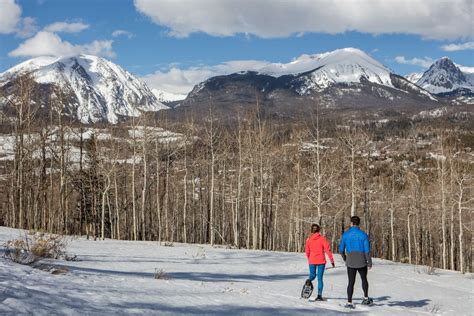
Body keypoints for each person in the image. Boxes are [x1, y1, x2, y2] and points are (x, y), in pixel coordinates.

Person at [339, 215, 373, 308]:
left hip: (350, 261)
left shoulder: (345, 235)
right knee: (364, 279)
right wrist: (369, 262)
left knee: (351, 282)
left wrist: (345, 258)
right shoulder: (363, 235)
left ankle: (349, 302)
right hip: (361, 260)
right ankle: (366, 298)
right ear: (359, 223)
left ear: (351, 223)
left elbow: (341, 249)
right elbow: (367, 250)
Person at [305, 223, 335, 301]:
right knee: (320, 278)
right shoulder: (322, 238)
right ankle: (319, 295)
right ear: (319, 230)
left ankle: (309, 280)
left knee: (312, 275)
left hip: (312, 260)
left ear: (311, 230)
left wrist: (310, 259)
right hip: (321, 261)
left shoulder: (309, 239)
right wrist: (332, 261)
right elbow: (328, 250)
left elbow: (307, 251)